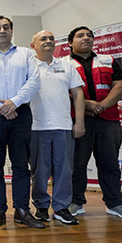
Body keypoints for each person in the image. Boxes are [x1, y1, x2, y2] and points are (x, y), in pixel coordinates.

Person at [0, 15, 43, 228]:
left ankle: (22, 209)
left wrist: (14, 102)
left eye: (5, 27)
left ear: (12, 32)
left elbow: (34, 81)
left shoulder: (27, 54)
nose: (2, 31)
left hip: (20, 113)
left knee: (21, 164)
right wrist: (0, 106)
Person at [63, 26, 122, 220]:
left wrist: (101, 106)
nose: (86, 38)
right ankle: (75, 202)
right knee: (76, 164)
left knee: (110, 164)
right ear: (70, 43)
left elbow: (120, 85)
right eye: (80, 36)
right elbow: (61, 91)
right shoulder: (62, 64)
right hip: (78, 121)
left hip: (108, 120)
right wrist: (86, 104)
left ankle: (115, 203)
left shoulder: (108, 60)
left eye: (89, 35)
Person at [29, 30, 86, 225]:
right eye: (43, 39)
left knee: (64, 169)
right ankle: (41, 207)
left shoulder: (67, 66)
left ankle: (61, 207)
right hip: (36, 127)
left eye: (51, 39)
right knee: (40, 171)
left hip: (63, 126)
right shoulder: (27, 67)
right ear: (33, 46)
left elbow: (78, 94)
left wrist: (79, 122)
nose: (48, 41)